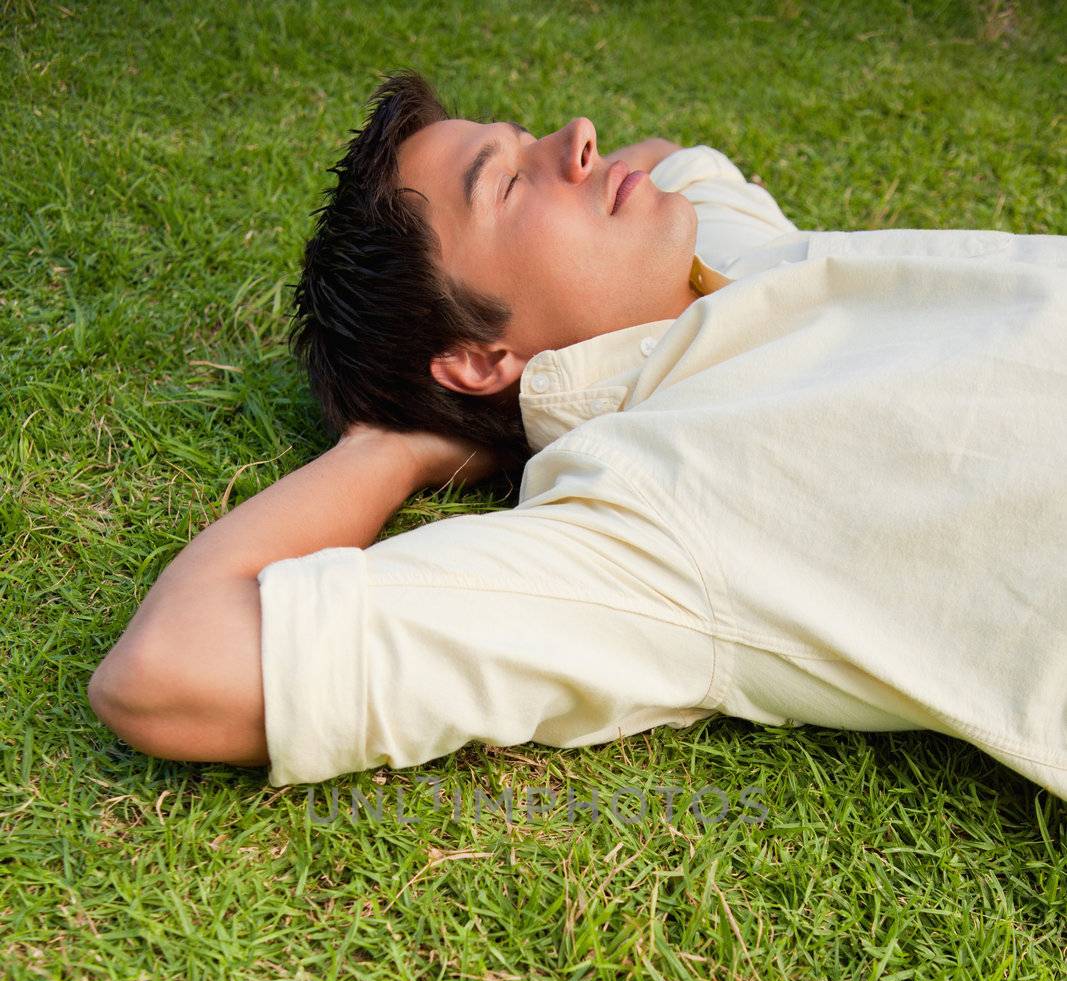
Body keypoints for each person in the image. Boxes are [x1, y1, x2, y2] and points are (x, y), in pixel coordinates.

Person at [86, 71, 1067, 801]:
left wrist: (552, 219)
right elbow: (163, 672)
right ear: (477, 356)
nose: (580, 139)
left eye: (530, 140)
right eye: (506, 184)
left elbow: (662, 151)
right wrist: (399, 447)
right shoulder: (642, 515)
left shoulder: (723, 248)